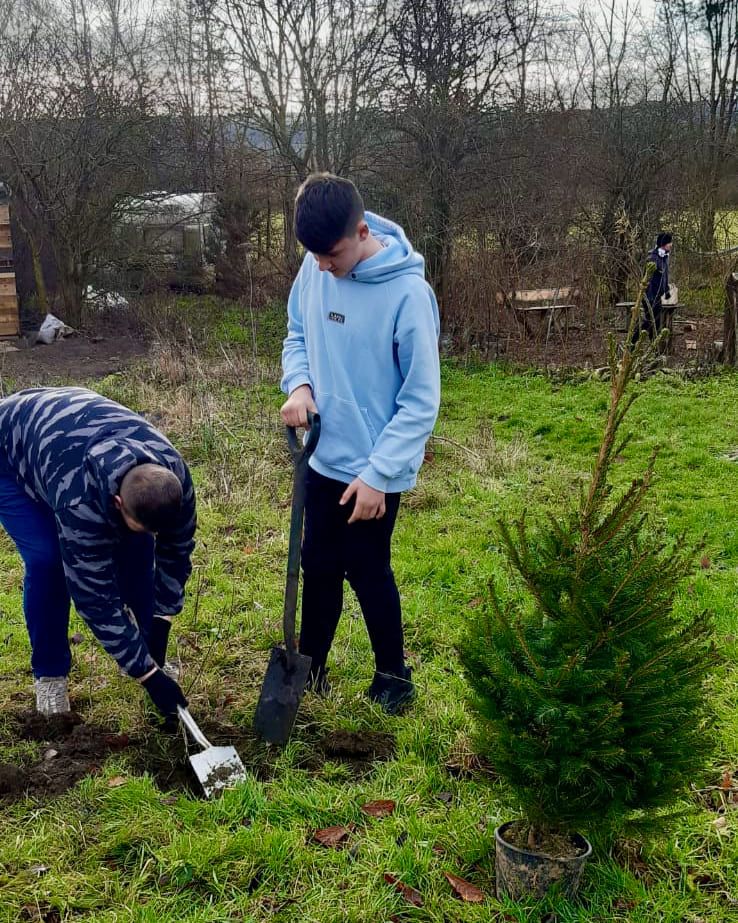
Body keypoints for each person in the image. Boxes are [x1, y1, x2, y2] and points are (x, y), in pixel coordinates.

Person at [280, 172, 441, 714]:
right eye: (316, 257)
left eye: (332, 254)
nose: (324, 266)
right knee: (317, 565)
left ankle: (393, 677)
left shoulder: (408, 296)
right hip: (322, 455)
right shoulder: (314, 266)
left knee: (368, 568)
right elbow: (297, 334)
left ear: (363, 230)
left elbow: (420, 400)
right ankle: (313, 670)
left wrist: (379, 474)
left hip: (374, 467)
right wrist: (299, 384)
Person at [0, 386, 195, 718]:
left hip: (61, 430)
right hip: (9, 453)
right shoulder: (79, 503)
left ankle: (146, 642)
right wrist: (148, 677)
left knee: (136, 544)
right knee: (49, 561)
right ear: (117, 503)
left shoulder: (174, 476)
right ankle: (50, 674)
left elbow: (176, 552)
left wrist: (160, 624)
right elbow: (95, 599)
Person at [633, 231, 673, 343]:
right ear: (663, 244)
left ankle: (653, 347)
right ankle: (633, 341)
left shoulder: (664, 258)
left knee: (656, 322)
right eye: (669, 242)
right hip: (651, 297)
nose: (671, 245)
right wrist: (650, 298)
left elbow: (663, 277)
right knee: (650, 321)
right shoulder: (653, 258)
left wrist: (666, 291)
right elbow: (648, 280)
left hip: (658, 297)